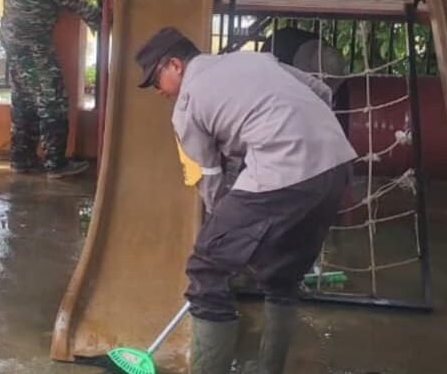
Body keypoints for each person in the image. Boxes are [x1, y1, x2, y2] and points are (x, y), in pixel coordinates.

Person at [135, 27, 357, 374]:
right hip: (337, 165)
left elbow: (210, 184)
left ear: (175, 65)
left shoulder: (187, 106)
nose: (159, 92)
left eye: (156, 80)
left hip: (285, 170)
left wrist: (226, 231)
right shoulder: (256, 60)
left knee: (207, 268)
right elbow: (321, 91)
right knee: (281, 275)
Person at [1, 0, 101, 178]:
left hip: (15, 38)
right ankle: (55, 163)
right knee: (52, 101)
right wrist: (100, 19)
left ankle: (21, 158)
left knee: (24, 99)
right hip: (31, 43)